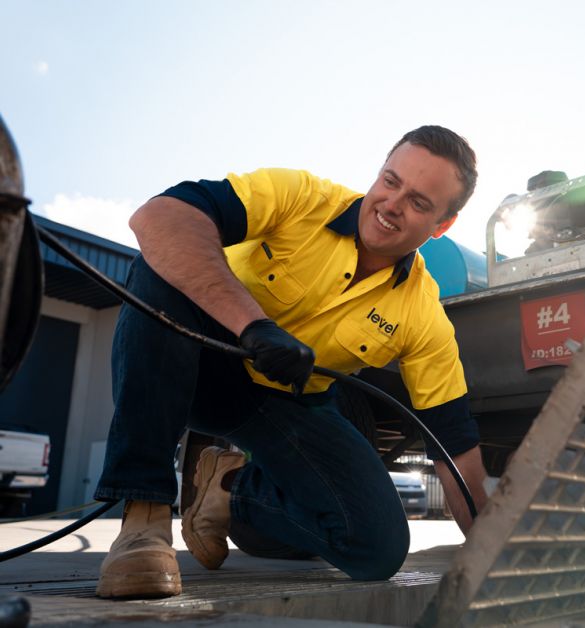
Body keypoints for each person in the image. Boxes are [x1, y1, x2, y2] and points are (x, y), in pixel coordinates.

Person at [93, 125, 489, 599]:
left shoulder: (423, 314)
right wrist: (252, 324)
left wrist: (495, 553)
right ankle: (144, 520)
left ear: (441, 226)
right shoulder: (302, 197)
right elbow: (159, 216)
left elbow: (455, 445)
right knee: (159, 268)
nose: (391, 204)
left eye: (419, 203)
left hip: (286, 406)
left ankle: (230, 491)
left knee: (377, 548)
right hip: (196, 358)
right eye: (390, 181)